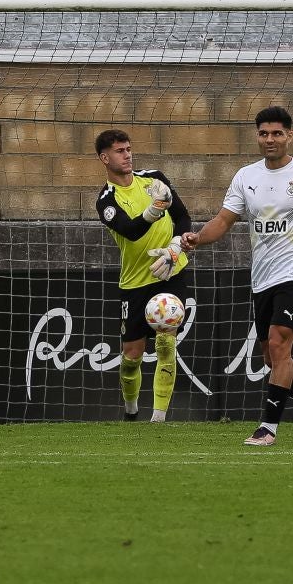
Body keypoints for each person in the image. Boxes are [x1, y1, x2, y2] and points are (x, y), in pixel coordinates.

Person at [178, 106, 293, 446]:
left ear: (289, 136)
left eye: (277, 133)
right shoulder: (246, 176)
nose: (270, 139)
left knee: (280, 345)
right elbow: (223, 220)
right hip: (262, 278)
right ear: (258, 136)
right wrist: (198, 238)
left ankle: (267, 428)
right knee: (272, 357)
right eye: (264, 133)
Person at [93, 129, 192, 422]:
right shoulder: (106, 200)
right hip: (135, 281)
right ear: (105, 158)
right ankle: (131, 410)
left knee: (166, 343)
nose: (127, 155)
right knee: (131, 357)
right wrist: (155, 209)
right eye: (119, 151)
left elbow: (183, 216)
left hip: (170, 270)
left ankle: (158, 419)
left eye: (128, 149)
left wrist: (175, 247)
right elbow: (131, 231)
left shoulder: (154, 178)